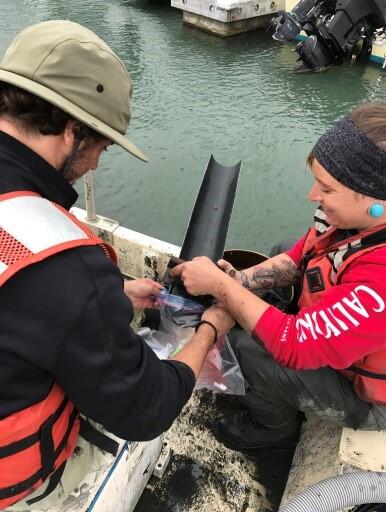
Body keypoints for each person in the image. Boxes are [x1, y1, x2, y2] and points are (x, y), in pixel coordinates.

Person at [0, 20, 234, 510]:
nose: (96, 166)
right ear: (72, 131)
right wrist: (209, 329)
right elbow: (145, 409)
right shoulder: (69, 270)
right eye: (101, 146)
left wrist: (112, 293)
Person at [172, 102, 386, 455]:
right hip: (343, 346)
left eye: (327, 190)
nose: (313, 196)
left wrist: (221, 287)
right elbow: (300, 254)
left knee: (243, 351)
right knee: (282, 247)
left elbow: (295, 345)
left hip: (367, 398)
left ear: (378, 200)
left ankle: (276, 429)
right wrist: (239, 279)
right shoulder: (355, 223)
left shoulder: (378, 281)